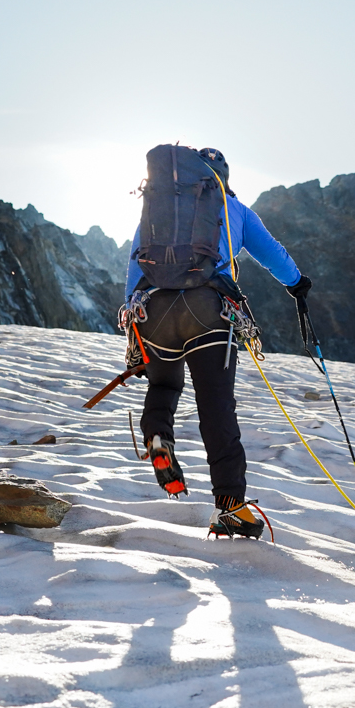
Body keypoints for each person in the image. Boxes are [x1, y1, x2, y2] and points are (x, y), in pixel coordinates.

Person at [120, 147, 311, 539]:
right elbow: (271, 253)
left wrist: (131, 311)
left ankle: (159, 437)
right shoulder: (232, 206)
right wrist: (297, 283)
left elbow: (135, 258)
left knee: (163, 385)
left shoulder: (159, 203)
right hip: (208, 310)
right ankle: (230, 508)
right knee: (216, 407)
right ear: (221, 175)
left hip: (152, 310)